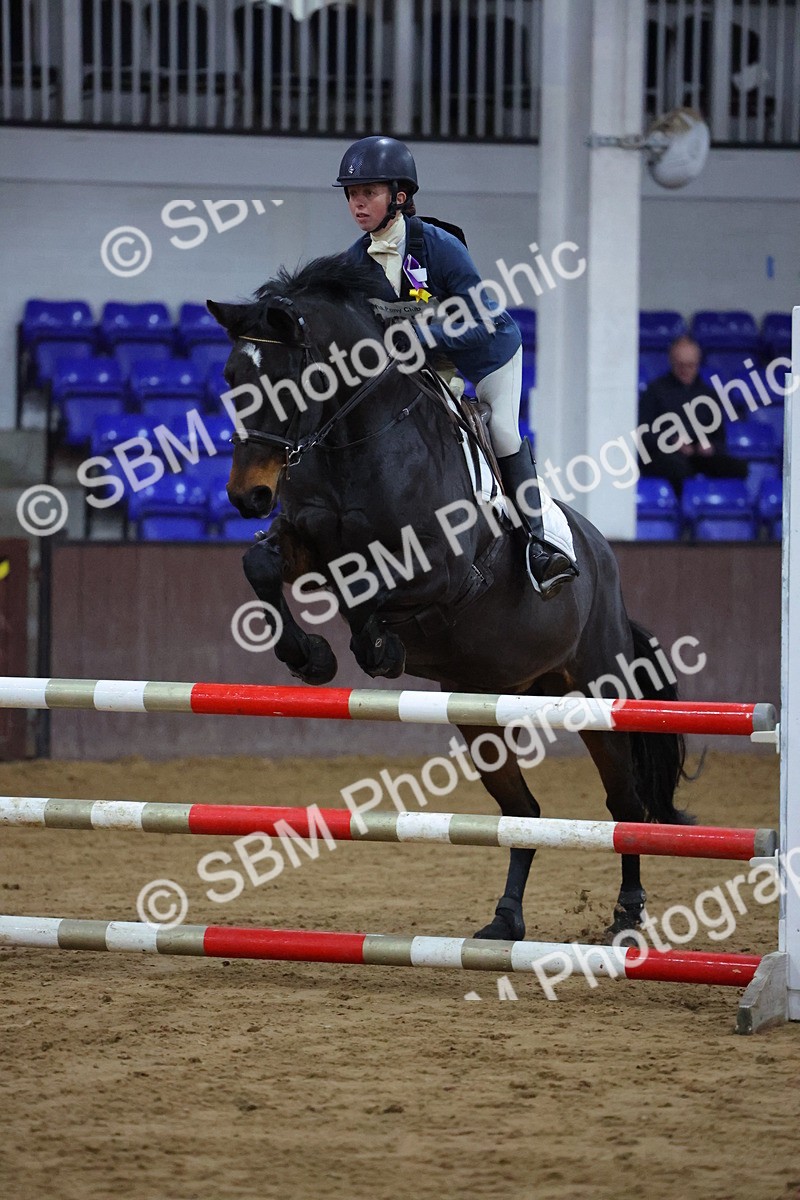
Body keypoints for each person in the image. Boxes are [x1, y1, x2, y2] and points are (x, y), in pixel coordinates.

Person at [334, 134, 577, 600]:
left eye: (368, 192)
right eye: (351, 194)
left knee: (501, 430)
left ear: (398, 196)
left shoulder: (439, 246)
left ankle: (540, 544)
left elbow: (481, 320)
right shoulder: (355, 263)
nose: (357, 203)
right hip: (428, 365)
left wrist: (424, 336)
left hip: (486, 353)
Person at [638, 334, 748, 495]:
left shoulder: (708, 394)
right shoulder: (655, 391)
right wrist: (672, 441)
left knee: (738, 468)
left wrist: (710, 446)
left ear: (698, 363)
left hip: (699, 456)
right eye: (681, 365)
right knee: (678, 467)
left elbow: (719, 438)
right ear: (672, 361)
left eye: (691, 365)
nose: (685, 370)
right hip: (665, 454)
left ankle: (720, 505)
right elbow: (643, 434)